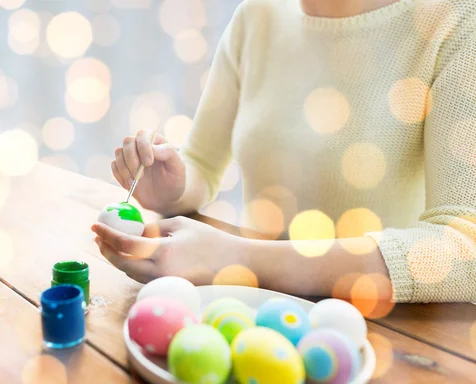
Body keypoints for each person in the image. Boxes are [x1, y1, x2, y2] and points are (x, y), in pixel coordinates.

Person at [92, 0, 476, 304]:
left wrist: (238, 259)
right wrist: (172, 188)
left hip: (378, 330)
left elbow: (466, 250)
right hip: (253, 308)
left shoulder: (453, 20)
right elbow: (203, 164)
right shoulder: (256, 15)